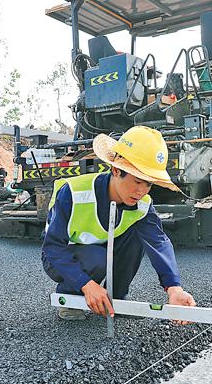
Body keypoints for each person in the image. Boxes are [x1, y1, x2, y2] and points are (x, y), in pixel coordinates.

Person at [41, 126, 196, 321]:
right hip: (59, 257)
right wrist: (86, 284)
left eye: (148, 184)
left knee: (136, 236)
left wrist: (174, 287)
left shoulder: (142, 206)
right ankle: (71, 296)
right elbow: (52, 248)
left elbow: (159, 242)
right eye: (137, 181)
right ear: (116, 170)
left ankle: (116, 299)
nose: (142, 191)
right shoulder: (74, 193)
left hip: (100, 250)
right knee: (96, 258)